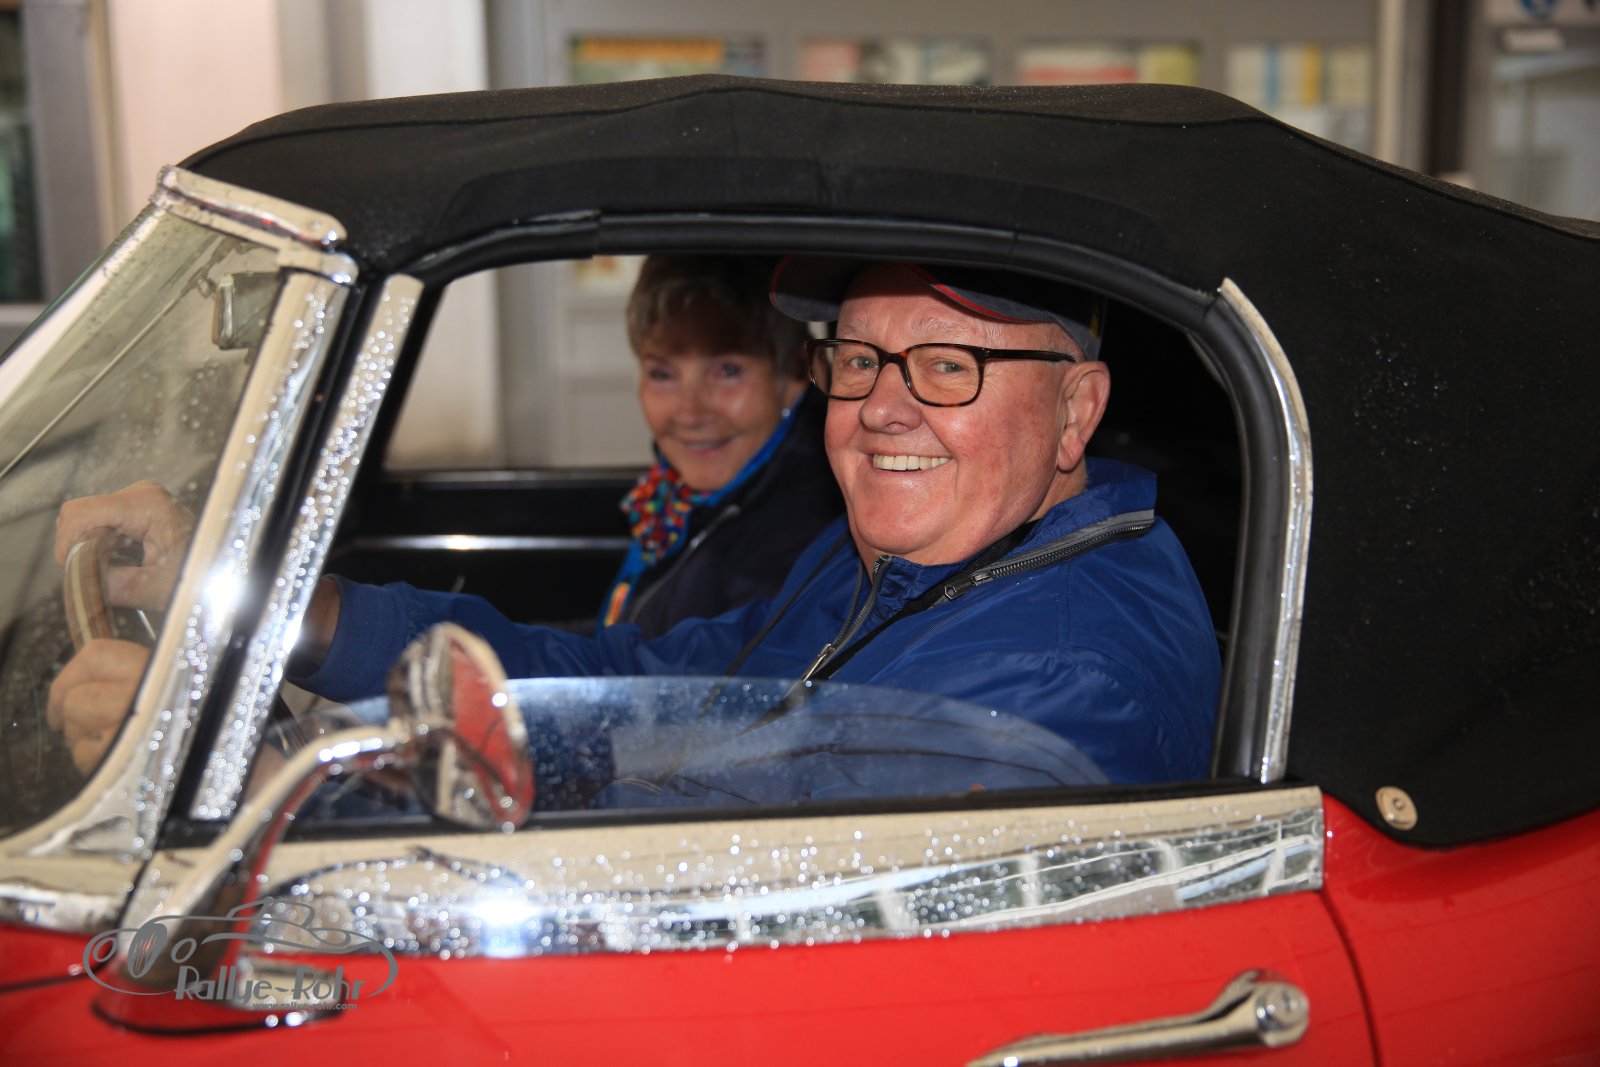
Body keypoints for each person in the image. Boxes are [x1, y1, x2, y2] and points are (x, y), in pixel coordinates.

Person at [53, 259, 1221, 787]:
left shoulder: (1053, 672)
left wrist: (273, 784)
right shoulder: (895, 558)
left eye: (950, 364)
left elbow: (726, 872)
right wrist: (286, 608)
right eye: (860, 357)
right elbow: (640, 685)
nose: (881, 406)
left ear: (1077, 410)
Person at [604, 255, 842, 638]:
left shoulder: (796, 540)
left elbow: (691, 667)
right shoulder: (673, 499)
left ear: (795, 375)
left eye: (728, 371)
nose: (690, 412)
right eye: (662, 374)